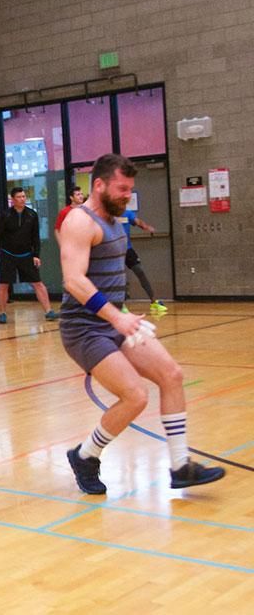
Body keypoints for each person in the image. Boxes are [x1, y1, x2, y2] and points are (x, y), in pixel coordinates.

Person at [59, 153, 224, 494]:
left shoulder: (116, 221)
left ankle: (181, 467)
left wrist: (121, 315)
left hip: (113, 321)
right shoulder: (80, 221)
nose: (126, 195)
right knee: (135, 395)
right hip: (84, 329)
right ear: (100, 184)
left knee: (172, 375)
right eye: (121, 188)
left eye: (130, 189)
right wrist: (116, 316)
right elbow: (74, 280)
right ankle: (86, 456)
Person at [0, 187, 58, 324]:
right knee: (4, 284)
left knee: (37, 283)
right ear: (13, 200)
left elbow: (35, 237)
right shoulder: (6, 215)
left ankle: (48, 311)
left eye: (24, 196)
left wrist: (36, 255)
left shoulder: (32, 215)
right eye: (19, 197)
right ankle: (2, 313)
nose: (23, 199)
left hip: (26, 255)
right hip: (8, 254)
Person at [116, 207, 167, 313]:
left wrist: (146, 227)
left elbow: (137, 221)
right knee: (118, 277)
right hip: (114, 251)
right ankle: (120, 304)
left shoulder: (127, 213)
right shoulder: (108, 213)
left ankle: (154, 301)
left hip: (128, 250)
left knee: (140, 271)